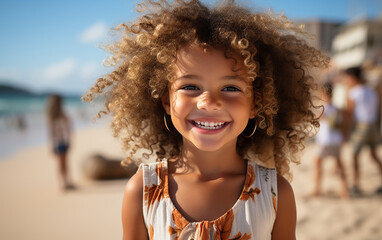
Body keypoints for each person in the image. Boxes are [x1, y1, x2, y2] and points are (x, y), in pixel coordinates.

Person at [83, 1, 328, 239]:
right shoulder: (143, 191)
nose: (209, 101)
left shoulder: (275, 193)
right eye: (190, 86)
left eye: (231, 88)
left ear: (257, 102)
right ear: (167, 101)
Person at [344, 66, 382, 195]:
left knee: (354, 156)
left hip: (361, 127)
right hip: (373, 126)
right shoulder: (372, 91)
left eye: (348, 78)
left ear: (353, 77)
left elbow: (350, 114)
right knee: (374, 155)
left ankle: (355, 185)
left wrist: (346, 131)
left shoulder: (354, 92)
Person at [309, 82, 349, 198]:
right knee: (339, 164)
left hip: (325, 141)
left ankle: (317, 189)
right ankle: (344, 189)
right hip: (336, 140)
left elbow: (314, 119)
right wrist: (344, 137)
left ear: (323, 93)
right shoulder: (338, 108)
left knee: (317, 164)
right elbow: (344, 124)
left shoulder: (322, 108)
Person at [46, 94, 75, 191]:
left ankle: (65, 183)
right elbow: (68, 129)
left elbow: (51, 133)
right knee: (64, 163)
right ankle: (65, 183)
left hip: (59, 142)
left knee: (62, 163)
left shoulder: (52, 117)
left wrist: (51, 144)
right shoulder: (61, 116)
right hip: (61, 142)